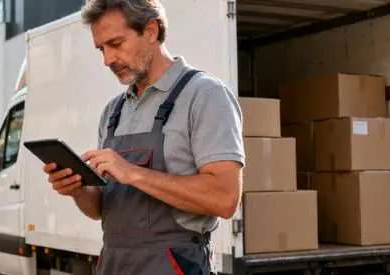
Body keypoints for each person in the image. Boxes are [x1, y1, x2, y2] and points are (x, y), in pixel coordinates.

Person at [42, 0, 245, 274]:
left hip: (174, 265)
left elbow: (225, 198)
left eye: (115, 43)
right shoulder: (113, 112)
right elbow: (101, 208)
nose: (107, 60)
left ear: (150, 31)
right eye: (101, 49)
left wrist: (133, 173)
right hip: (113, 265)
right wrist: (78, 190)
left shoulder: (205, 96)